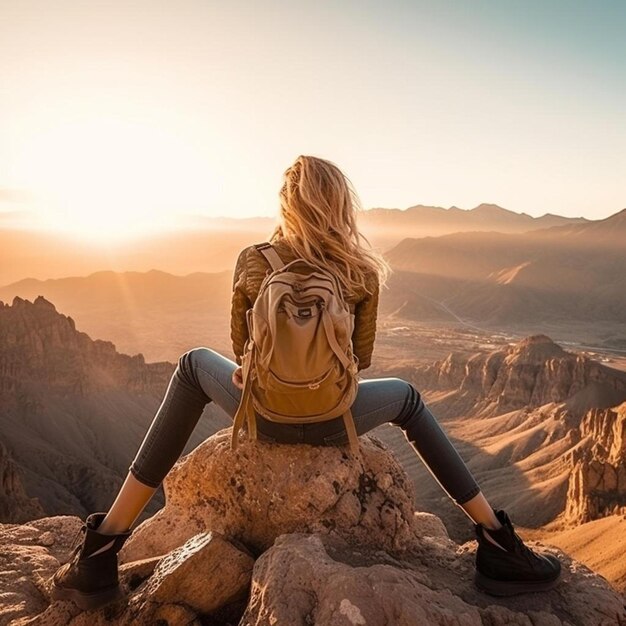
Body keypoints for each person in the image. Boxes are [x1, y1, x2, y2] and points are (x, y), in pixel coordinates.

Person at [50, 155, 561, 610]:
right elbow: (358, 362)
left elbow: (239, 351)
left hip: (263, 416)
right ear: (340, 206)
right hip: (334, 421)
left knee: (190, 366)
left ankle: (102, 548)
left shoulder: (254, 260)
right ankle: (497, 543)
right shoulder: (360, 270)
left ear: (287, 205)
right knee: (409, 399)